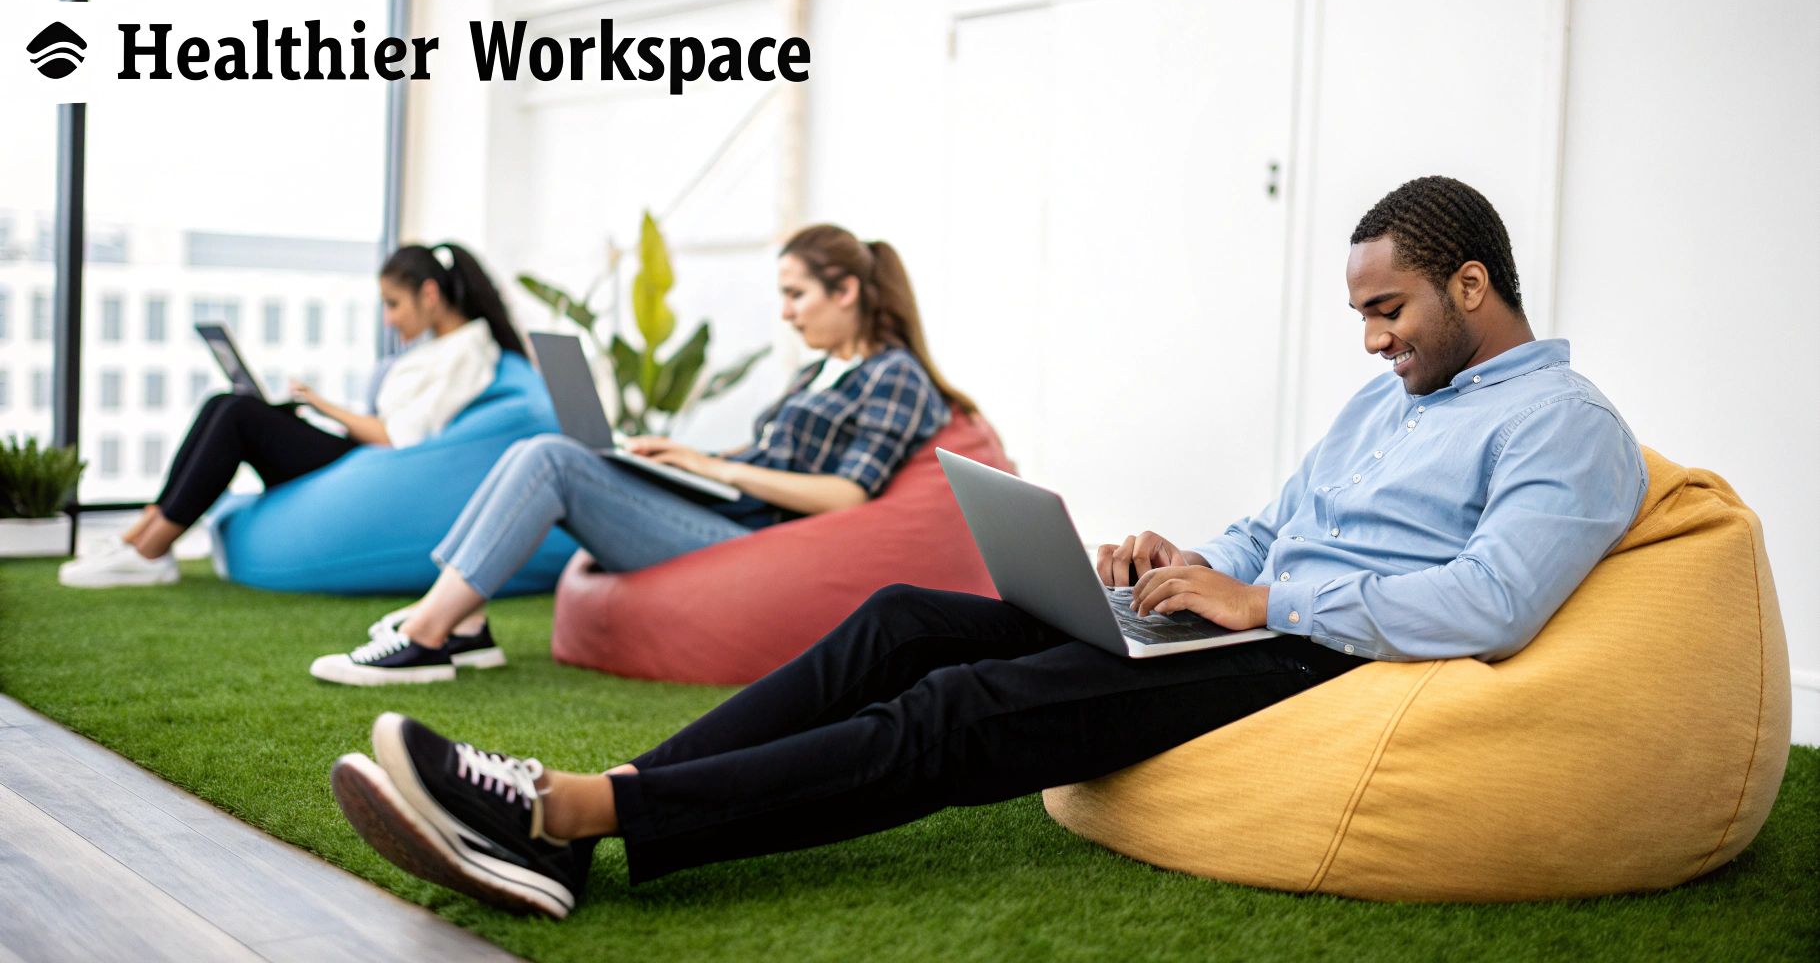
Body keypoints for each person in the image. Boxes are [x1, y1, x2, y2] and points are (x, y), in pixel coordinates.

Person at [328, 177, 1648, 919]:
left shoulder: (1565, 424)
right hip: (1249, 615)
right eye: (1361, 314)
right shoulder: (1389, 400)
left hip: (1321, 657)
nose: (1372, 340)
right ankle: (599, 799)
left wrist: (1260, 594)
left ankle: (571, 815)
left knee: (967, 708)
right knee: (906, 613)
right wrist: (1179, 560)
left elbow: (1496, 602)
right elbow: (1279, 517)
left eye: (1391, 310)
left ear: (1474, 282)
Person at [309, 223, 975, 685]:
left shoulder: (895, 376)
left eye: (795, 295)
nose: (786, 314)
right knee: (550, 449)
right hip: (733, 512)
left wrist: (720, 469)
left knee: (550, 459)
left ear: (847, 292)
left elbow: (849, 495)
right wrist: (682, 456)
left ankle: (427, 637)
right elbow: (769, 454)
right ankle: (467, 622)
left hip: (755, 540)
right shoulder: (819, 372)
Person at [58, 243, 525, 590]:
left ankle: (153, 551)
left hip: (369, 462)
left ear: (429, 293)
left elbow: (398, 436)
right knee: (224, 403)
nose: (388, 319)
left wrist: (321, 404)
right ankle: (138, 536)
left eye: (393, 304)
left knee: (240, 414)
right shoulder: (440, 347)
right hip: (358, 456)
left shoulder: (469, 350)